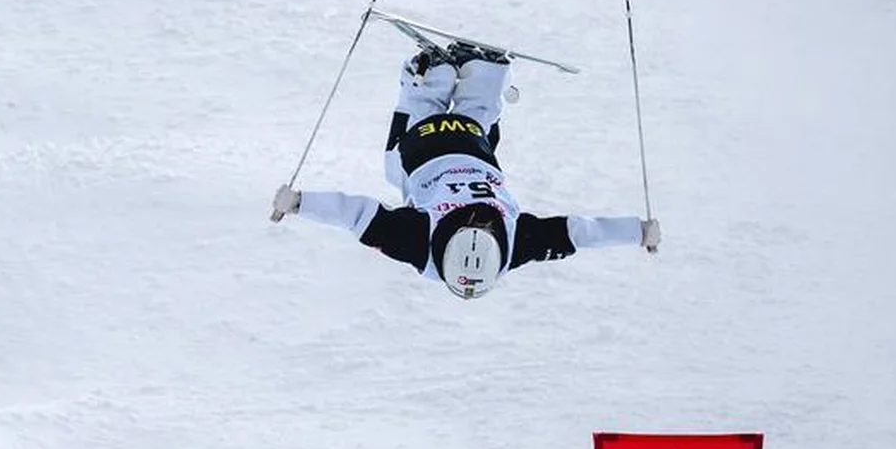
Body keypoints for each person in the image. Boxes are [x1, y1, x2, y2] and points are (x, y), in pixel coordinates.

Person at [271, 41, 658, 300]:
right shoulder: (417, 245)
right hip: (422, 149)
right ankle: (431, 75)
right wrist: (298, 204)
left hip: (473, 146)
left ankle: (480, 75)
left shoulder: (516, 243)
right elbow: (357, 214)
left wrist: (638, 233)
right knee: (402, 152)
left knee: (476, 121)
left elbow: (578, 234)